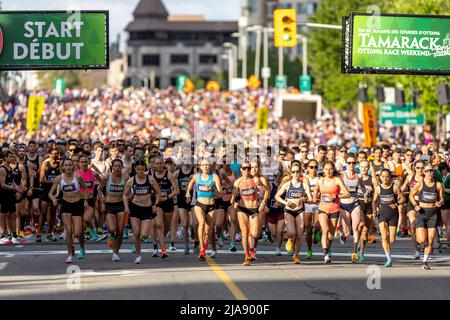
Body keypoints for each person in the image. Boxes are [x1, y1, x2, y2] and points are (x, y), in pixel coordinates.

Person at [123, 160, 167, 264]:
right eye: (138, 169)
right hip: (135, 207)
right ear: (135, 169)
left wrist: (155, 205)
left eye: (142, 169)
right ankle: (138, 255)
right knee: (136, 232)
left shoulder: (150, 179)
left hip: (147, 208)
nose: (140, 171)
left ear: (145, 169)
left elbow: (158, 193)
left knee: (145, 234)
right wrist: (126, 207)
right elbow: (125, 195)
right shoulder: (131, 181)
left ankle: (138, 243)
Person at [48, 158, 88, 263]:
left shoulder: (78, 177)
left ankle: (82, 247)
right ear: (62, 167)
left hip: (77, 203)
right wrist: (53, 199)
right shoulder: (58, 178)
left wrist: (85, 200)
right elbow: (50, 193)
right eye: (66, 165)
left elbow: (85, 188)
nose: (68, 167)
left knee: (78, 232)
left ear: (73, 166)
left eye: (70, 165)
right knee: (69, 229)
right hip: (66, 204)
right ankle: (70, 253)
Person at [230, 160, 268, 266]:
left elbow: (267, 190)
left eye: (249, 168)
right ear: (241, 169)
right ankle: (247, 255)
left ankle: (251, 250)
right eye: (245, 168)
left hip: (254, 208)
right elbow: (232, 198)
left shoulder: (255, 179)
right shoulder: (238, 182)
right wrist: (235, 203)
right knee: (244, 233)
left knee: (255, 233)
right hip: (242, 208)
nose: (247, 170)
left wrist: (263, 203)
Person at [313, 161, 350, 264]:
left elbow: (347, 193)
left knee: (331, 235)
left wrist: (336, 196)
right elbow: (315, 192)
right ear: (323, 170)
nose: (328, 171)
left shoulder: (337, 180)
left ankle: (328, 249)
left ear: (333, 170)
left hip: (334, 209)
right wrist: (315, 197)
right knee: (325, 230)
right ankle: (325, 254)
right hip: (323, 208)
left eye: (330, 169)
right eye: (326, 169)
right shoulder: (320, 181)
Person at [185, 158, 223, 260]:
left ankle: (204, 246)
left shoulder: (214, 177)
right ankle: (202, 249)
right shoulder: (197, 176)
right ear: (200, 166)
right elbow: (190, 183)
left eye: (207, 165)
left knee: (208, 230)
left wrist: (212, 189)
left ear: (210, 166)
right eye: (203, 165)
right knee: (201, 223)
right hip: (199, 204)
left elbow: (221, 193)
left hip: (211, 205)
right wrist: (188, 193)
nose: (206, 167)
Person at [409, 163, 445, 270]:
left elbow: (442, 199)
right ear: (424, 172)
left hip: (432, 214)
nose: (430, 172)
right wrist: (415, 205)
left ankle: (424, 261)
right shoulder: (420, 183)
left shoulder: (438, 185)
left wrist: (440, 203)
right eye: (428, 171)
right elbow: (411, 195)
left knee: (431, 239)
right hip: (422, 213)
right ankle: (419, 242)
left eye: (432, 170)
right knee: (421, 239)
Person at [275, 161, 312, 264]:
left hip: (300, 210)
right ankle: (290, 240)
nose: (296, 174)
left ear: (301, 172)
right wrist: (285, 202)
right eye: (293, 172)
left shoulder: (304, 185)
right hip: (289, 210)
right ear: (291, 173)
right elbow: (277, 196)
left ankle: (296, 255)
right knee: (292, 232)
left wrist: (304, 198)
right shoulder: (287, 184)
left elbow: (310, 198)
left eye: (297, 171)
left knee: (299, 235)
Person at [373, 169, 405, 267]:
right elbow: (374, 200)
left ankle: (388, 250)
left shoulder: (394, 187)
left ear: (390, 177)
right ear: (380, 177)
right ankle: (388, 258)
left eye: (387, 176)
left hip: (393, 215)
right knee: (384, 236)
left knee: (391, 239)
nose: (385, 178)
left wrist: (396, 204)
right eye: (383, 176)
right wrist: (374, 210)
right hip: (382, 214)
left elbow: (403, 198)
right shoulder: (378, 188)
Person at [98, 159, 128, 261]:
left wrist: (128, 200)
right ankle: (111, 235)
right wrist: (102, 202)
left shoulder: (125, 178)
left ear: (122, 167)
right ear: (112, 167)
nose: (117, 168)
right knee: (112, 229)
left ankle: (115, 251)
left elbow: (129, 191)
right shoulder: (107, 177)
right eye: (115, 166)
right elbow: (99, 190)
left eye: (119, 166)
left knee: (120, 230)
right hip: (109, 205)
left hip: (121, 205)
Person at [339, 154, 365, 263]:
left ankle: (354, 253)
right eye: (349, 163)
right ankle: (344, 235)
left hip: (355, 203)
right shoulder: (342, 175)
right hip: (343, 205)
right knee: (348, 231)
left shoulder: (358, 176)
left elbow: (363, 188)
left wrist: (366, 195)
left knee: (356, 227)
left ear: (356, 164)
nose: (351, 165)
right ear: (346, 163)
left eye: (353, 163)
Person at [152, 156, 179, 251]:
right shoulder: (152, 176)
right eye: (157, 164)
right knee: (158, 224)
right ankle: (156, 246)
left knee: (166, 227)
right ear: (154, 165)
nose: (159, 165)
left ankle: (161, 240)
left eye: (161, 163)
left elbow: (176, 191)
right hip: (157, 203)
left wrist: (166, 197)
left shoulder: (168, 174)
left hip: (168, 202)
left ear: (164, 164)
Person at [0, 150, 27, 244]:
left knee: (13, 214)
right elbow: (2, 184)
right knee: (3, 215)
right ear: (5, 158)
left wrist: (18, 188)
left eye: (13, 156)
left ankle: (14, 236)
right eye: (10, 156)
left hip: (10, 194)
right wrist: (13, 189)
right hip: (3, 195)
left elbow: (12, 181)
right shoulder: (2, 169)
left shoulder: (10, 168)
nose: (13, 158)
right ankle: (2, 235)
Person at [401, 160, 425, 259]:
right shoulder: (410, 177)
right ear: (414, 167)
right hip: (412, 203)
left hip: (424, 204)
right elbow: (402, 188)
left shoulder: (427, 177)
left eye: (422, 167)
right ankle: (416, 251)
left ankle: (422, 243)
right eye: (418, 167)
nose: (420, 169)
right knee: (413, 224)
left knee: (423, 227)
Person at [77, 155, 103, 241]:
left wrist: (99, 191)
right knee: (81, 220)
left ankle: (93, 231)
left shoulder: (93, 173)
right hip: (79, 200)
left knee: (87, 218)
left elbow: (103, 182)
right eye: (82, 162)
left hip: (90, 199)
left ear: (88, 162)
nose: (84, 163)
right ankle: (87, 233)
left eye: (85, 161)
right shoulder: (76, 174)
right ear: (78, 163)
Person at [357, 160, 378, 262]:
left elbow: (376, 196)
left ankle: (361, 251)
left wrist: (375, 209)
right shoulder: (356, 178)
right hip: (358, 205)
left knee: (365, 231)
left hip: (369, 205)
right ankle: (357, 243)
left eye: (366, 167)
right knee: (360, 226)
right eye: (362, 167)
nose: (364, 169)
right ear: (359, 167)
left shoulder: (372, 180)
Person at [174, 159, 196, 254]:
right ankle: (186, 246)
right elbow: (170, 178)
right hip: (181, 199)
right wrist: (175, 189)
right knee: (184, 224)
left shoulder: (194, 171)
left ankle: (196, 242)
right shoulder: (178, 172)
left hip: (192, 198)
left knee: (193, 223)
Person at [39, 148, 60, 242]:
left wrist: (57, 186)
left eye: (57, 154)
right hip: (46, 191)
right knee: (43, 213)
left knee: (53, 213)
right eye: (54, 154)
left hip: (55, 192)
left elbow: (61, 178)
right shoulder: (45, 163)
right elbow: (41, 180)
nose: (56, 155)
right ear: (50, 154)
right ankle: (39, 233)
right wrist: (53, 181)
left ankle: (50, 233)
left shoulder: (59, 164)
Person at [304, 159, 320, 259]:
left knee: (317, 226)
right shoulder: (304, 179)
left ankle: (317, 232)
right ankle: (309, 250)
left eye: (316, 167)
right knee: (308, 229)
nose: (313, 169)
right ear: (307, 168)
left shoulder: (320, 179)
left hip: (318, 204)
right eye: (311, 167)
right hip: (307, 205)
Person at [267, 169, 285, 256]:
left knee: (280, 231)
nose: (277, 178)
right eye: (275, 176)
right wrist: (265, 206)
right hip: (271, 212)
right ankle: (274, 239)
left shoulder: (284, 187)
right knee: (274, 234)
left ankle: (278, 248)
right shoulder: (271, 186)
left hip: (281, 211)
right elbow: (265, 197)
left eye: (279, 176)